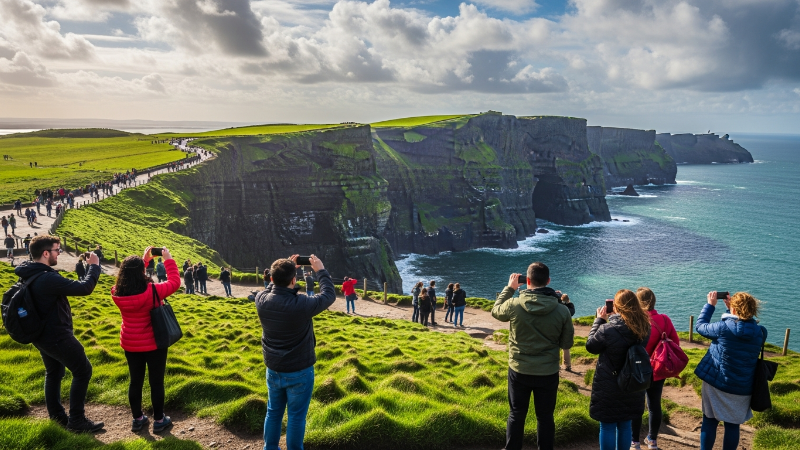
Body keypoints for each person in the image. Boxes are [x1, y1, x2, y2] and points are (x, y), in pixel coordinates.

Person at [14, 235, 104, 432]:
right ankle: (77, 421)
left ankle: (57, 417)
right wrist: (95, 266)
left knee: (54, 372)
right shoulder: (47, 278)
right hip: (56, 335)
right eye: (57, 250)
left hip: (41, 335)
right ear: (46, 253)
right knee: (83, 371)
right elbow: (85, 288)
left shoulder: (30, 272)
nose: (59, 254)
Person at [255, 255, 335, 450]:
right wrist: (320, 271)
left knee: (273, 412)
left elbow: (270, 287)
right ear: (294, 280)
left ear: (272, 279)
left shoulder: (261, 299)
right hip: (299, 369)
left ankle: (270, 448)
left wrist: (286, 269)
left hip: (273, 368)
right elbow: (328, 295)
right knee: (296, 417)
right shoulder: (302, 304)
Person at [492, 262, 575, 450]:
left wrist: (510, 288)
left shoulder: (514, 304)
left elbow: (496, 311)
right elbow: (566, 344)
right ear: (548, 281)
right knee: (545, 417)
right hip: (547, 372)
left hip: (519, 370)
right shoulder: (562, 310)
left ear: (526, 280)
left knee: (516, 414)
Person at [111, 246, 180, 434]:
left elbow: (133, 276)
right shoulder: (152, 291)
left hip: (130, 343)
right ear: (141, 272)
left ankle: (137, 419)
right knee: (156, 381)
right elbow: (175, 282)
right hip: (154, 342)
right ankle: (159, 420)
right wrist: (168, 259)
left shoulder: (117, 292)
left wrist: (144, 260)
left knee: (136, 381)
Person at [695, 291, 765, 450]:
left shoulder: (722, 328)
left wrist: (710, 306)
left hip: (717, 384)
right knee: (733, 426)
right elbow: (741, 327)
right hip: (743, 388)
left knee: (709, 420)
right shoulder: (760, 332)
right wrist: (730, 311)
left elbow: (700, 326)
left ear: (734, 309)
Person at [586, 289, 651, 450]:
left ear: (616, 307)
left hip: (609, 384)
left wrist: (599, 320)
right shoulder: (644, 327)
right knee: (625, 425)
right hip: (632, 383)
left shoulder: (607, 329)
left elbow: (591, 346)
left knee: (607, 426)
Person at [632, 287, 679, 450]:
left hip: (637, 370)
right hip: (658, 370)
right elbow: (676, 344)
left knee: (636, 406)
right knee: (654, 406)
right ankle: (652, 441)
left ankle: (634, 443)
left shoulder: (635, 320)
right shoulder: (664, 319)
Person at [558, 293, 575, 371]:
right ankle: (567, 365)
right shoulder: (569, 308)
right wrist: (568, 303)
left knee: (556, 347)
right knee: (566, 348)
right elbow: (572, 312)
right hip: (566, 329)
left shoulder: (557, 307)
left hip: (557, 328)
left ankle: (556, 365)